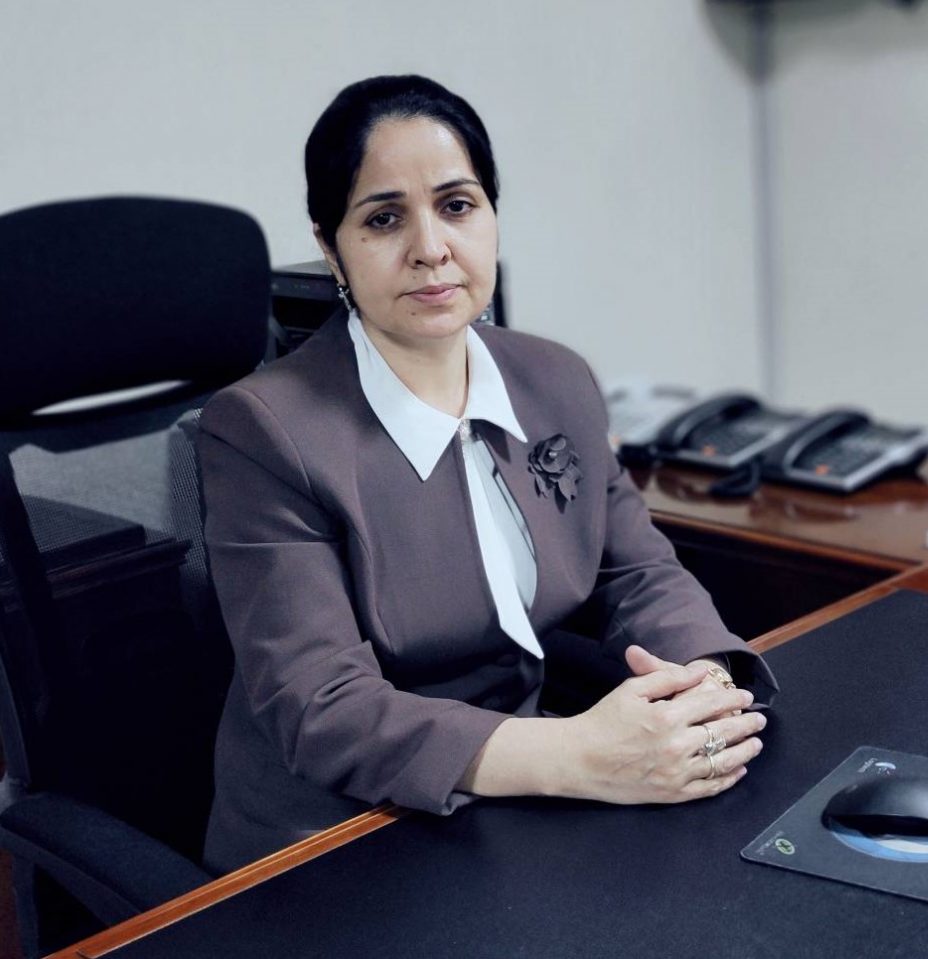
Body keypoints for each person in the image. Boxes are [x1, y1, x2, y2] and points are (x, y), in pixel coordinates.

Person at [197, 75, 778, 874]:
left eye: (457, 205)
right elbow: (322, 708)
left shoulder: (556, 378)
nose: (431, 248)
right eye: (384, 218)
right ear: (331, 246)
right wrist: (579, 754)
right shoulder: (263, 431)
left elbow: (638, 573)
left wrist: (704, 688)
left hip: (513, 806)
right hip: (337, 838)